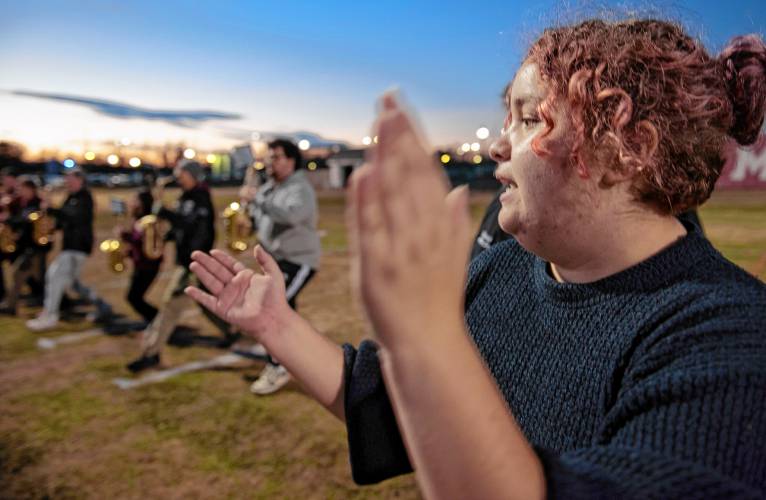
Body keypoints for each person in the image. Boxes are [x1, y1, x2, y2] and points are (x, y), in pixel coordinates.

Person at [187, 19, 766, 498]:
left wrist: (425, 333)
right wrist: (276, 325)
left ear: (629, 149)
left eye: (532, 117)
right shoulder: (505, 269)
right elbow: (401, 408)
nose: (496, 142)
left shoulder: (730, 337)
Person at [126, 160, 232, 372]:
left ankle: (151, 352)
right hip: (188, 261)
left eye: (180, 173)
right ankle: (230, 329)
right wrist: (165, 236)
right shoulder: (185, 196)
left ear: (192, 175)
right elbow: (182, 227)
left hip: (194, 262)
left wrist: (166, 213)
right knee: (206, 302)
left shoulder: (201, 198)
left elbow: (192, 225)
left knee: (169, 307)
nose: (177, 177)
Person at [243, 138, 321, 395]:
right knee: (285, 312)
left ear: (291, 160)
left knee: (271, 310)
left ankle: (279, 366)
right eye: (269, 157)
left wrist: (258, 200)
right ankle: (295, 356)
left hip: (298, 260)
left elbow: (291, 215)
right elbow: (259, 217)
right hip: (275, 259)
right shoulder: (270, 187)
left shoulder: (300, 187)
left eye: (275, 157)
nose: (270, 162)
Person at [26, 168, 113, 331]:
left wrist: (52, 209)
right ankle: (103, 306)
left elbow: (75, 217)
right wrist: (51, 226)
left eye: (70, 179)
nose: (67, 182)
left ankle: (50, 316)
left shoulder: (85, 197)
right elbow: (65, 220)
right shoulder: (71, 197)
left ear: (80, 180)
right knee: (74, 284)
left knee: (55, 276)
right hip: (70, 245)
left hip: (78, 246)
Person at [0, 178, 48, 315]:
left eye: (22, 188)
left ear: (30, 189)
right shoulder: (22, 203)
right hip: (26, 248)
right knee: (34, 278)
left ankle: (10, 307)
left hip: (35, 248)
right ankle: (12, 305)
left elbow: (26, 221)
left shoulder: (38, 204)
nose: (19, 191)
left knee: (23, 275)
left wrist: (8, 219)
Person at [117, 191, 162, 325]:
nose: (131, 202)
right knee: (134, 297)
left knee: (133, 297)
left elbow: (145, 244)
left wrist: (124, 235)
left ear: (142, 203)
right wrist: (128, 253)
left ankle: (157, 319)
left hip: (148, 266)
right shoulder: (138, 219)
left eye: (134, 200)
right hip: (140, 264)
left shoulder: (149, 221)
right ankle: (153, 320)